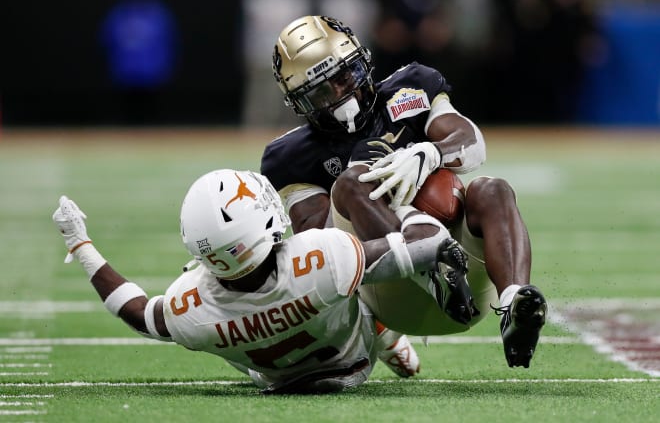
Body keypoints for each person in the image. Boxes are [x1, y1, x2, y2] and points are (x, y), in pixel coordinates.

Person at [261, 15, 547, 368]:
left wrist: (430, 153)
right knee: (352, 184)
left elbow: (473, 143)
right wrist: (374, 186)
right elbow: (317, 246)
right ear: (301, 103)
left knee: (492, 189)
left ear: (361, 63)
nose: (340, 95)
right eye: (321, 92)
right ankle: (428, 270)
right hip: (389, 292)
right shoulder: (289, 158)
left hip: (468, 282)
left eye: (343, 76)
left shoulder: (410, 88)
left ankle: (513, 300)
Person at [52, 169, 470, 393]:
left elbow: (138, 313)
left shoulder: (190, 304)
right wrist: (403, 202)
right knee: (361, 269)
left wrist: (82, 244)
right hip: (354, 358)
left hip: (276, 377)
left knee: (213, 330)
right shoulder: (321, 256)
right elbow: (431, 240)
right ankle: (386, 334)